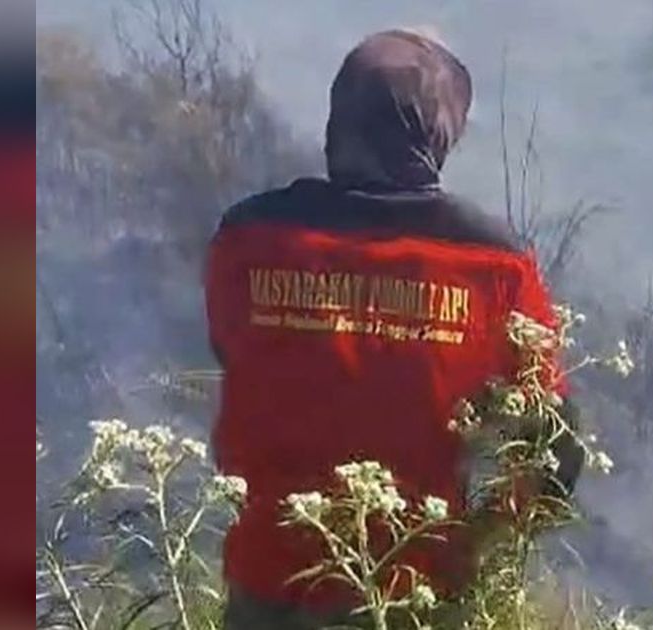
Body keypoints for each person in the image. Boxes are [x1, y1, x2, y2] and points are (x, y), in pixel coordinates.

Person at [204, 29, 581, 628]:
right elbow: (556, 443)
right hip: (417, 593)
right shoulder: (496, 265)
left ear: (338, 126)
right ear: (436, 136)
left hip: (268, 588)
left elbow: (234, 352)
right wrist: (488, 535)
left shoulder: (247, 238)